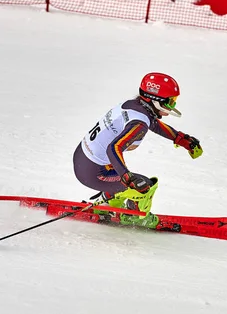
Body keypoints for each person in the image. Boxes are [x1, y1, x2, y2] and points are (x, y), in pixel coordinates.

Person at [73, 72, 203, 228]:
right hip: (93, 173)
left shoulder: (134, 106)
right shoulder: (139, 124)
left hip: (84, 160)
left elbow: (152, 123)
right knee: (145, 186)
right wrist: (127, 178)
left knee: (124, 174)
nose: (172, 106)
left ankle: (109, 205)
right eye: (170, 102)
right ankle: (136, 217)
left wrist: (180, 138)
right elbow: (113, 148)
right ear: (156, 101)